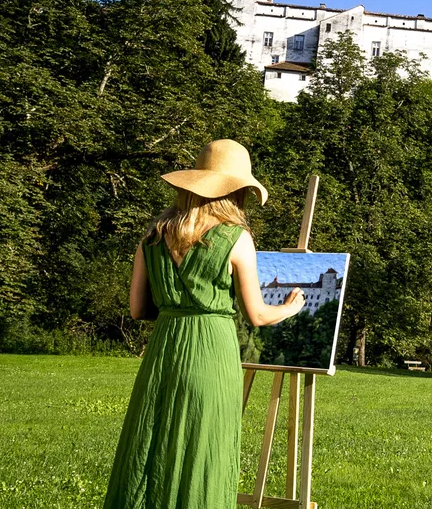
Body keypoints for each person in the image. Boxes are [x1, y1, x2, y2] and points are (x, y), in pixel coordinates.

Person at [105, 139, 305, 509]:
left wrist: (172, 307)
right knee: (204, 443)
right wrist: (291, 308)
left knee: (152, 443)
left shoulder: (152, 235)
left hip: (164, 347)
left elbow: (136, 310)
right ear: (237, 192)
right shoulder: (236, 238)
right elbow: (258, 315)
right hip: (212, 351)